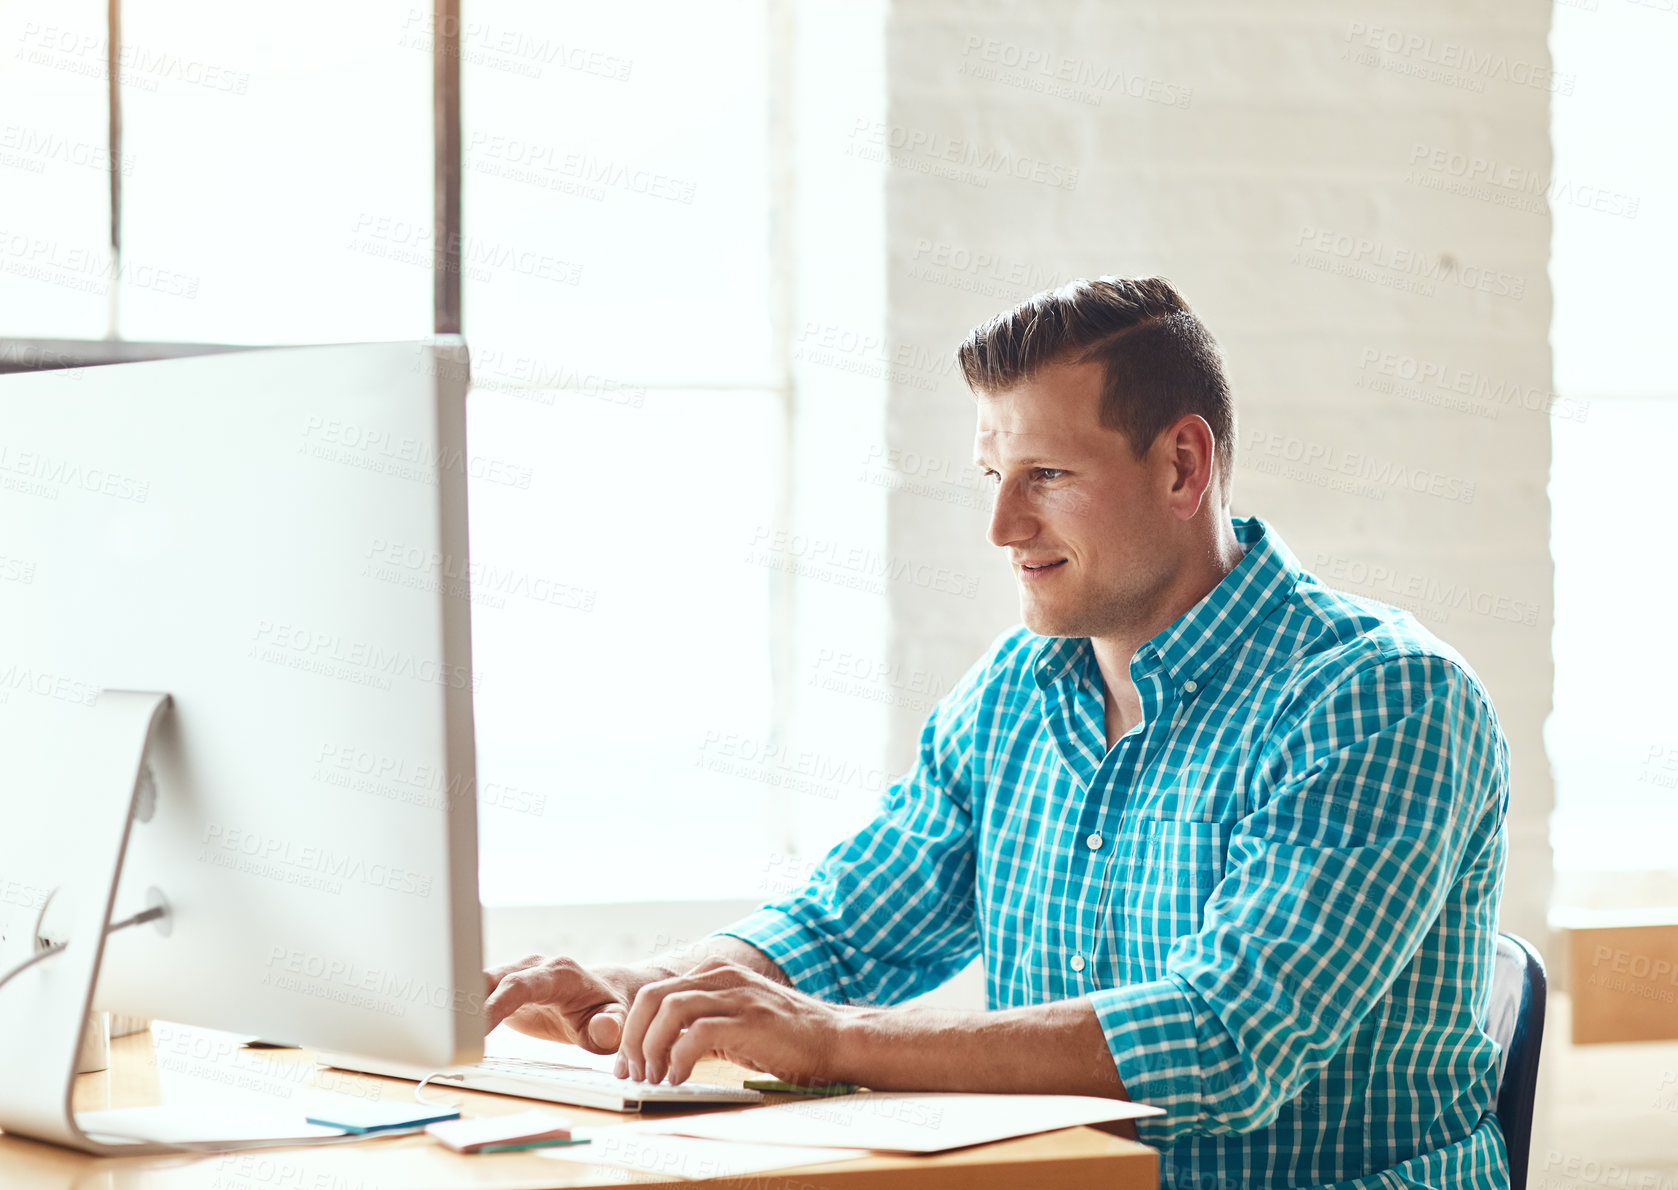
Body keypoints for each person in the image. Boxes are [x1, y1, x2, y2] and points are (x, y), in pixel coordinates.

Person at [484, 277, 1513, 1189]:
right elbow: (843, 928)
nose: (1001, 528)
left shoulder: (1380, 697)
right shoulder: (1017, 690)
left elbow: (1225, 1038)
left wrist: (832, 1038)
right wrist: (651, 991)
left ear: (1182, 467)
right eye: (992, 478)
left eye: (1047, 477)